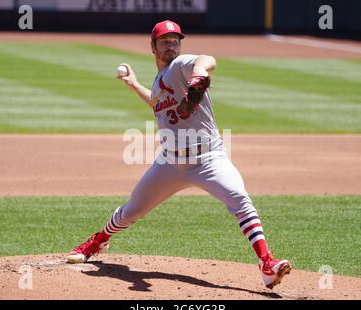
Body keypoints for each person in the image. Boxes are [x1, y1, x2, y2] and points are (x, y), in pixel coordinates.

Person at [67, 20, 291, 289]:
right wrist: (133, 84)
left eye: (175, 40)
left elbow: (207, 60)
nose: (171, 44)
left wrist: (198, 75)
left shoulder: (182, 64)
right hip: (170, 162)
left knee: (241, 201)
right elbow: (157, 102)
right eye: (165, 41)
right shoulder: (161, 79)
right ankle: (98, 241)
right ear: (153, 47)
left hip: (209, 158)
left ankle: (267, 264)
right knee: (131, 211)